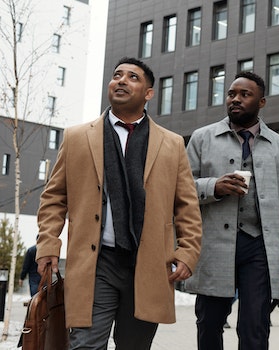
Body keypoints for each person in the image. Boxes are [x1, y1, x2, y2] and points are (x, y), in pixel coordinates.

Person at [35, 57, 203, 348]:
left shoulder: (171, 144)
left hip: (149, 264)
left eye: (133, 77)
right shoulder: (77, 138)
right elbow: (54, 197)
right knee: (86, 344)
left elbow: (186, 205)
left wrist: (188, 251)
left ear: (149, 93)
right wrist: (48, 243)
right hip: (95, 262)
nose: (122, 81)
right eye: (117, 75)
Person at [184, 71, 279, 350]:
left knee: (255, 327)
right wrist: (214, 186)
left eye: (244, 95)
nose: (235, 99)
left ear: (261, 102)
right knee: (209, 322)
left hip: (259, 246)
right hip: (214, 245)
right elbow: (180, 189)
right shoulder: (202, 138)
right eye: (231, 94)